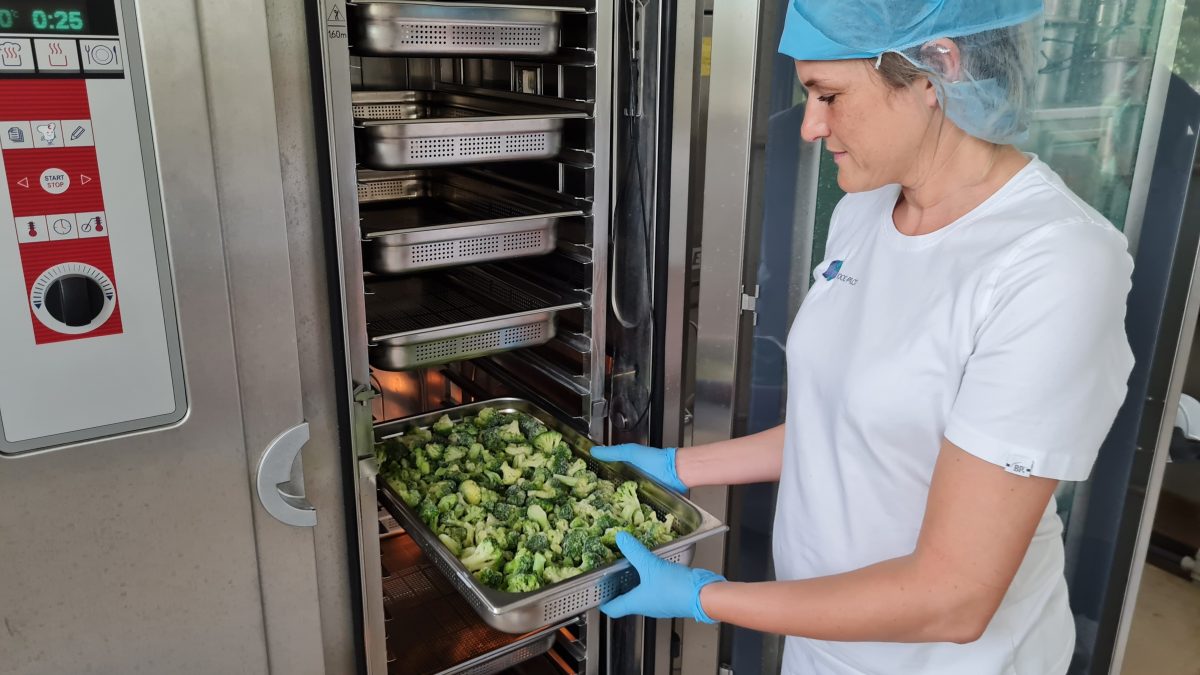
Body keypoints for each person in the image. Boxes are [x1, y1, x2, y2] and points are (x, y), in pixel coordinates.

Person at [590, 1, 1136, 673]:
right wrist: (675, 467)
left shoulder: (1054, 264)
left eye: (830, 95)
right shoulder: (865, 209)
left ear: (935, 71)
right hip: (821, 642)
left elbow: (954, 597)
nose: (812, 127)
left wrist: (709, 597)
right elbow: (847, 423)